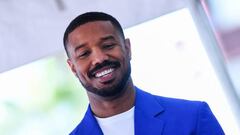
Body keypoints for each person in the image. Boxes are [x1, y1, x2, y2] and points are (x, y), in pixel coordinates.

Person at [63, 12, 224, 135]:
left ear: (127, 48)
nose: (99, 58)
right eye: (84, 54)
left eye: (108, 45)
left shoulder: (192, 117)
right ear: (72, 68)